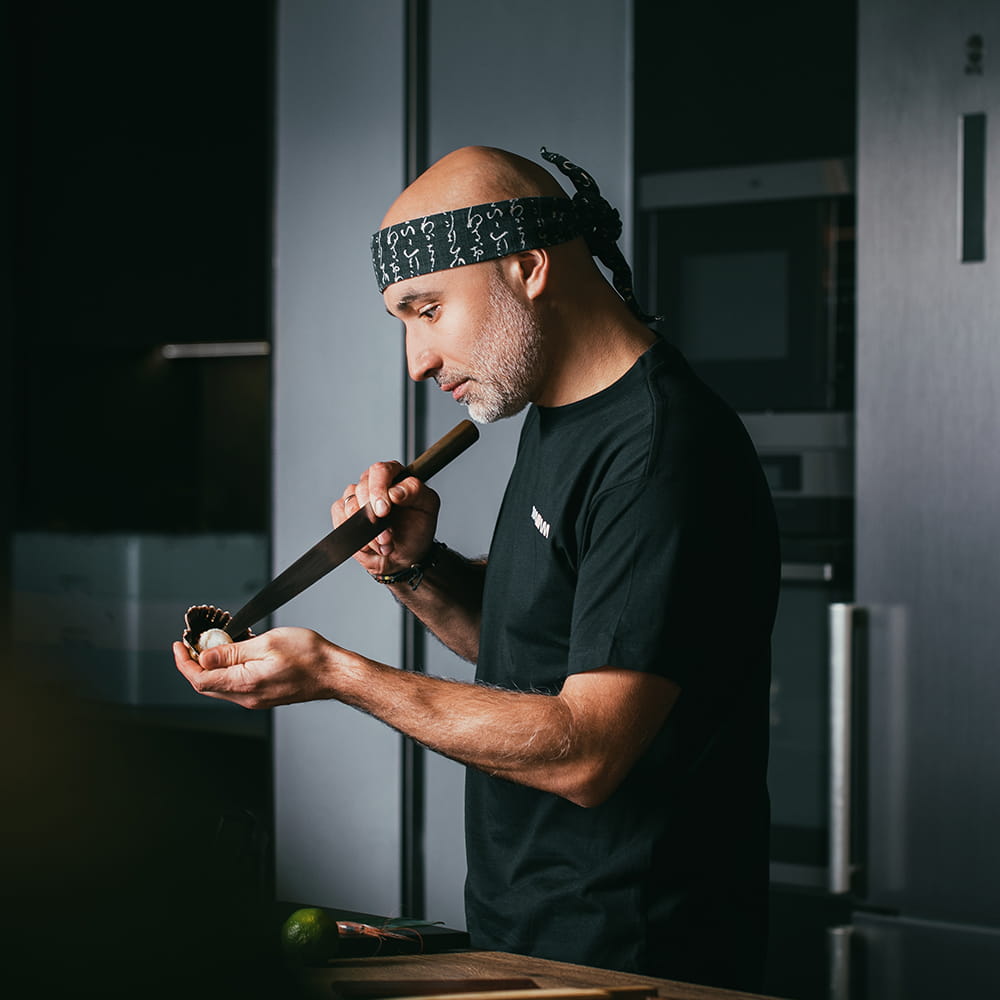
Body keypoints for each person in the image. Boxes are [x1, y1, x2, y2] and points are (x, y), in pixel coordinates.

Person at [174, 145, 780, 991]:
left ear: (528, 267)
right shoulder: (561, 415)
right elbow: (536, 650)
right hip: (529, 933)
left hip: (632, 951)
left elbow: (587, 751)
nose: (417, 360)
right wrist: (414, 567)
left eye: (428, 310)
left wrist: (336, 674)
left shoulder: (657, 450)